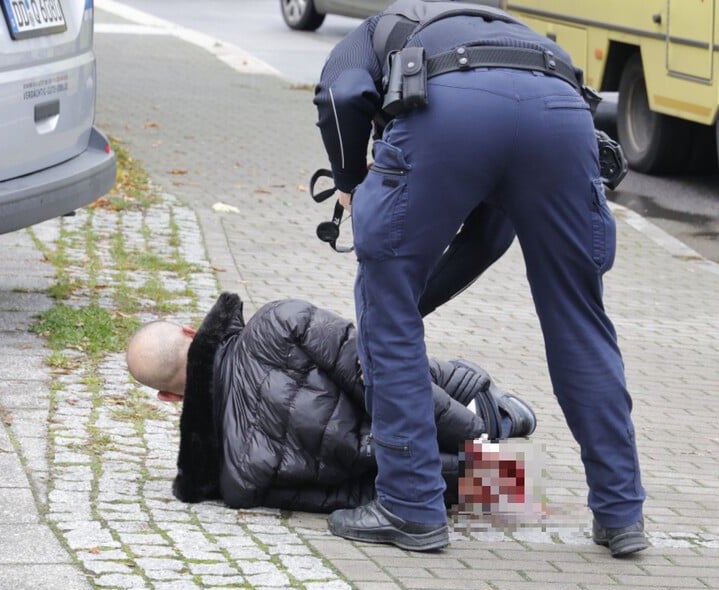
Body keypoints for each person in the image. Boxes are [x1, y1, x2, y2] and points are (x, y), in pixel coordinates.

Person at [313, 0, 645, 556]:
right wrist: (411, 308)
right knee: (579, 322)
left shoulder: (376, 29)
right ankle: (621, 513)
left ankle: (410, 506)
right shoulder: (511, 30)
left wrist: (350, 181)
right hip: (564, 115)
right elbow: (490, 236)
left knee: (383, 297)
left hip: (451, 110)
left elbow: (340, 95)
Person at [125, 292, 536, 514]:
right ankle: (491, 413)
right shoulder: (275, 322)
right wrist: (474, 428)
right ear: (190, 330)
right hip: (445, 407)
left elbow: (346, 496)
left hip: (433, 474)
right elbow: (378, 368)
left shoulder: (236, 477)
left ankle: (497, 471)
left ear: (167, 397)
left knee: (506, 479)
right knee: (386, 358)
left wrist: (473, 478)